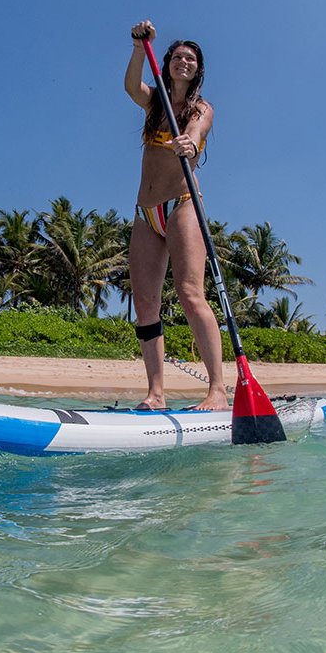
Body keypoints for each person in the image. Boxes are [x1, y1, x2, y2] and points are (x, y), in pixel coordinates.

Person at [124, 20, 227, 411]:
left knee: (189, 293)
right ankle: (156, 393)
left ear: (198, 69)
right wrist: (138, 48)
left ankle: (217, 389)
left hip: (182, 204)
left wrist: (191, 143)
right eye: (178, 56)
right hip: (146, 212)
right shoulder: (155, 104)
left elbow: (198, 131)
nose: (184, 62)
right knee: (146, 301)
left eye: (191, 59)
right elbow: (132, 88)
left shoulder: (200, 108)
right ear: (167, 62)